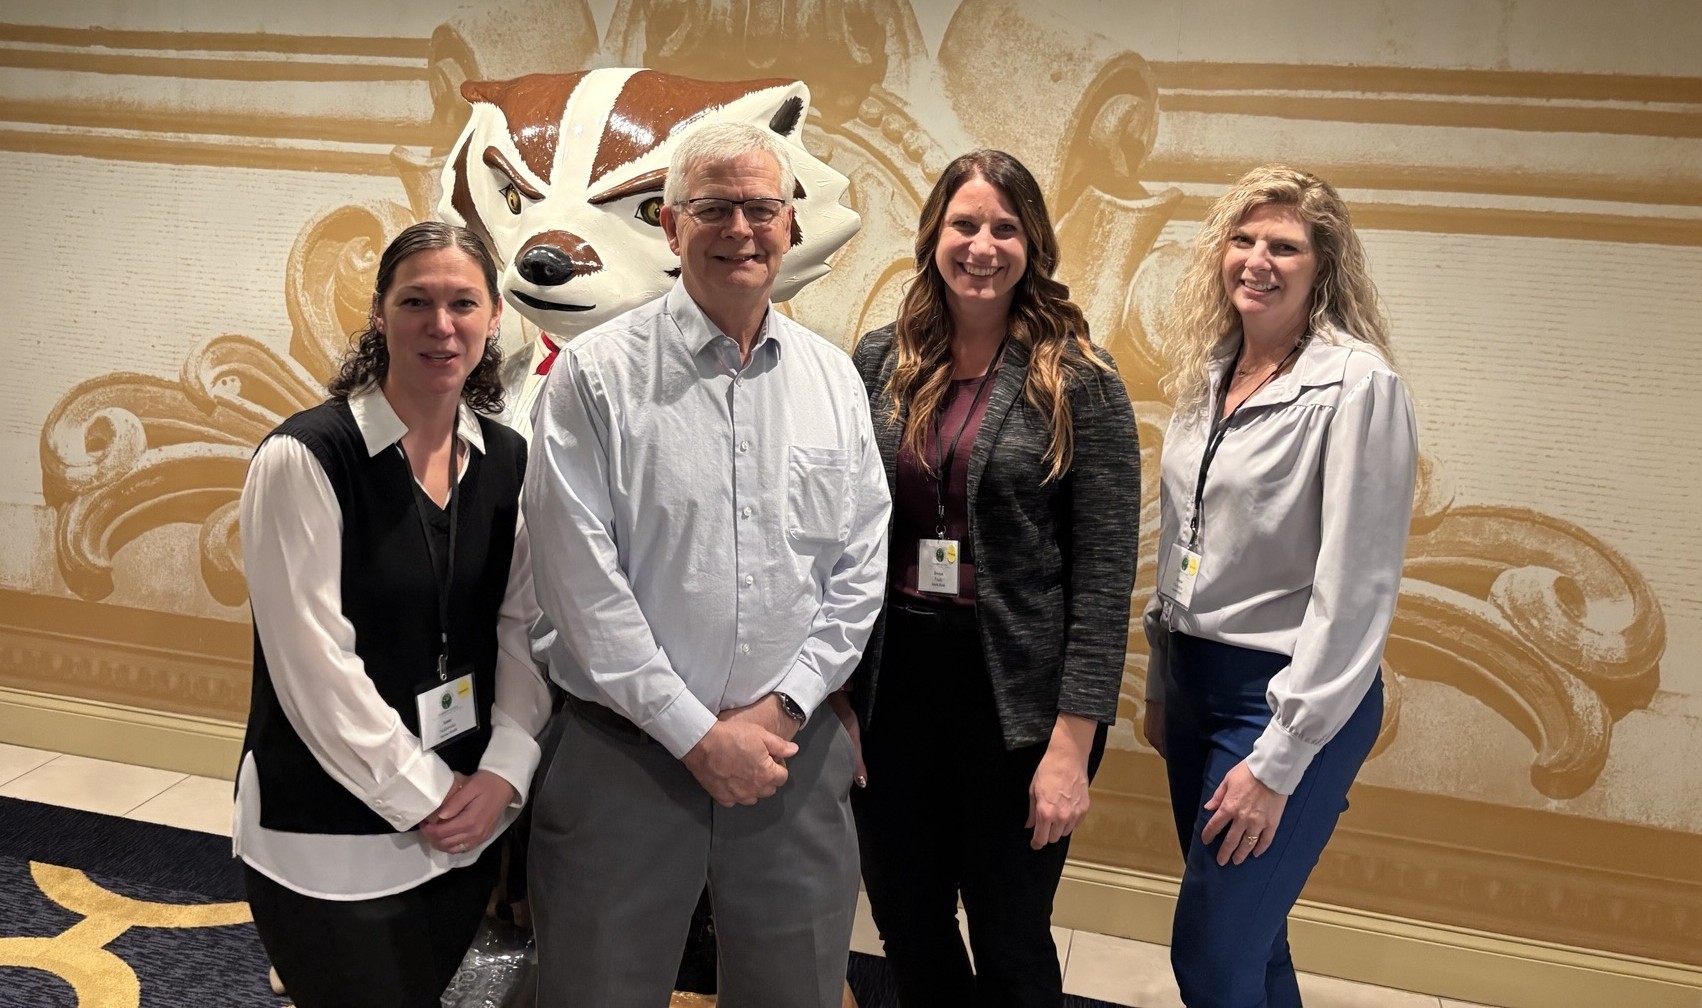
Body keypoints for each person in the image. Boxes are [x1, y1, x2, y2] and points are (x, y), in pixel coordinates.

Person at [523, 121, 890, 1008]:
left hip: (786, 752)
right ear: (671, 226)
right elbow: (581, 590)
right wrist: (694, 732)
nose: (742, 228)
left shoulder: (834, 378)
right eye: (714, 207)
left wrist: (788, 702)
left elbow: (860, 562)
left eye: (762, 207)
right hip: (625, 756)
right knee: (597, 991)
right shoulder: (593, 376)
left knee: (795, 989)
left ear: (790, 227)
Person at [843, 148, 1140, 1007]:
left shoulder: (1079, 379)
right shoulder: (878, 362)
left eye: (1004, 228)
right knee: (908, 920)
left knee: (1010, 933)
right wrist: (837, 696)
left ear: (1032, 244)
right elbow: (842, 537)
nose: (983, 245)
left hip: (1015, 702)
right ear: (935, 235)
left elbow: (1103, 575)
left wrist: (1072, 749)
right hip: (895, 686)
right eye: (965, 224)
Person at [235, 220, 551, 1008]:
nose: (440, 326)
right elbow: (314, 668)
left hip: (462, 825)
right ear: (379, 314)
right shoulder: (306, 458)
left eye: (462, 303)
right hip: (329, 832)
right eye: (416, 301)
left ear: (493, 319)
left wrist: (504, 774)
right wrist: (428, 794)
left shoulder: (509, 460)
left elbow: (522, 628)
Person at [1141, 163, 1418, 1007]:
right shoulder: (1212, 370)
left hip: (1286, 699)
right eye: (1244, 238)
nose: (1258, 259)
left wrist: (1281, 758)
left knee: (1211, 957)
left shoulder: (1356, 385)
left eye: (1285, 245)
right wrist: (1163, 680)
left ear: (1322, 267)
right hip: (1196, 686)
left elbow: (1355, 589)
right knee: (1255, 948)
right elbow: (1184, 545)